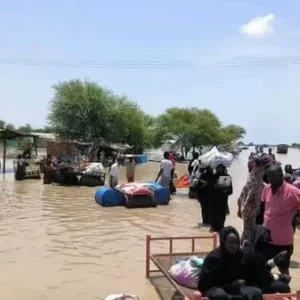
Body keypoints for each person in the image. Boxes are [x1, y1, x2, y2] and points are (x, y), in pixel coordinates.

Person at [198, 226, 263, 300]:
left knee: (256, 292)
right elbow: (203, 283)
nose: (233, 246)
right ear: (223, 242)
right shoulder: (214, 257)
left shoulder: (240, 255)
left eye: (236, 243)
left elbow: (249, 276)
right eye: (230, 242)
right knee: (220, 296)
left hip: (234, 287)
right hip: (215, 287)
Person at [260, 164, 300, 275]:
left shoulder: (293, 191)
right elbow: (263, 208)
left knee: (283, 269)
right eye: (268, 177)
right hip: (266, 236)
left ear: (281, 175)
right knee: (263, 266)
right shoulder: (266, 188)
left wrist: (297, 216)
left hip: (283, 239)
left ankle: (285, 290)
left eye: (273, 176)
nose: (270, 179)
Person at [242, 225, 291, 294]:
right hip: (251, 285)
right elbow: (263, 276)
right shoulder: (251, 254)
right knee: (284, 287)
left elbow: (261, 269)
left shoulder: (253, 249)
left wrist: (275, 260)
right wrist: (280, 277)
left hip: (257, 279)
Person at [237, 153, 274, 243]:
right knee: (251, 237)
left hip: (246, 214)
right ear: (262, 168)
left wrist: (239, 210)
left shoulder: (250, 179)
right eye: (266, 167)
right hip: (254, 216)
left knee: (246, 233)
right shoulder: (260, 184)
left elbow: (240, 198)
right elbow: (258, 204)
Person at [209, 164, 233, 232]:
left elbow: (230, 190)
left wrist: (225, 190)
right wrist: (214, 186)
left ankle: (220, 228)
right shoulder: (213, 176)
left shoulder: (226, 176)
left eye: (221, 168)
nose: (219, 169)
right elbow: (209, 188)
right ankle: (213, 227)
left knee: (221, 215)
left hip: (223, 200)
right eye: (218, 168)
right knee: (213, 214)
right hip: (213, 200)